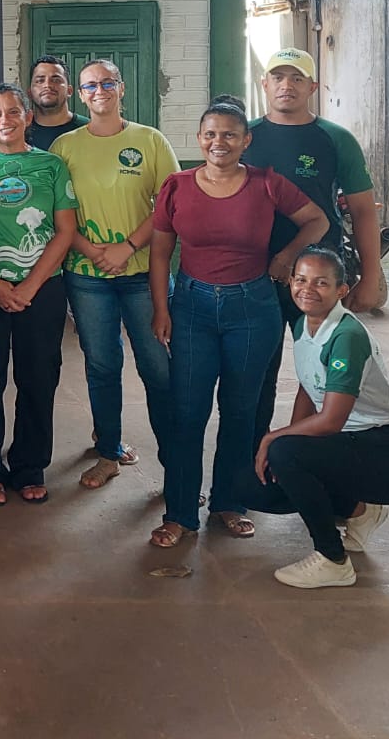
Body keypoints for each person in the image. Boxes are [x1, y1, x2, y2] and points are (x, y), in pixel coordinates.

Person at [148, 95, 328, 548]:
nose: (219, 142)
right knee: (188, 413)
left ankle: (230, 501)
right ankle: (181, 513)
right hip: (192, 308)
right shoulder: (177, 186)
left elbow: (316, 220)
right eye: (210, 134)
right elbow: (159, 251)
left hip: (253, 309)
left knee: (242, 412)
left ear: (246, 140)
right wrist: (161, 307)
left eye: (229, 134)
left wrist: (286, 257)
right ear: (199, 139)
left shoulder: (267, 184)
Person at [246, 247, 389, 588]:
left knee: (283, 453)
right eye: (300, 280)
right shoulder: (303, 324)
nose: (307, 289)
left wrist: (276, 438)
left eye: (321, 283)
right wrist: (289, 439)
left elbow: (330, 421)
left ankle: (332, 559)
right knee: (249, 488)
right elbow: (307, 386)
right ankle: (361, 511)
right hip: (349, 444)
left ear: (342, 290)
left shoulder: (347, 336)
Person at [244, 47, 385, 451]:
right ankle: (259, 455)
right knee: (259, 373)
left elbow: (362, 211)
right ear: (264, 83)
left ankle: (304, 456)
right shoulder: (246, 137)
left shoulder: (335, 139)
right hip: (261, 274)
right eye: (278, 77)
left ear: (313, 87)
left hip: (317, 277)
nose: (287, 86)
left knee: (322, 371)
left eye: (297, 79)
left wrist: (370, 277)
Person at [50, 58, 180, 492]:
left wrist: (127, 246)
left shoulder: (150, 140)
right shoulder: (65, 147)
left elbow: (169, 206)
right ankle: (109, 452)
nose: (99, 91)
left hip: (143, 274)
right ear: (79, 94)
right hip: (87, 277)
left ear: (121, 88)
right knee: (102, 366)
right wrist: (91, 251)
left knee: (159, 369)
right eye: (90, 86)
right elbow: (58, 212)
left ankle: (175, 469)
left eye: (107, 83)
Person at [0, 84, 78, 505]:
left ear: (28, 116)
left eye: (13, 112)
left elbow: (65, 231)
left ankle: (29, 466)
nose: (4, 121)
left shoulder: (52, 166)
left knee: (38, 377)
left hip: (41, 290)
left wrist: (30, 284)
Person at [25, 54, 86, 151]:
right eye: (40, 80)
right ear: (29, 93)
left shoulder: (90, 130)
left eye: (56, 80)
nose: (48, 85)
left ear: (69, 91)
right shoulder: (18, 132)